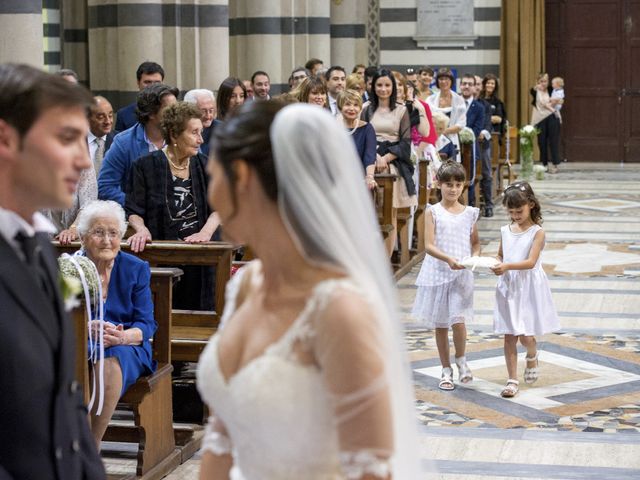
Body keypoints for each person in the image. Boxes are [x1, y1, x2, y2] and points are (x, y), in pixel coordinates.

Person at [196, 100, 423, 479]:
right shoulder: (247, 285)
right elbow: (221, 436)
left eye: (213, 176)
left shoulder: (339, 309)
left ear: (242, 177)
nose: (210, 193)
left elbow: (369, 470)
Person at [0, 63, 105, 479]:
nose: (83, 160)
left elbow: (64, 396)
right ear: (6, 138)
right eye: (66, 139)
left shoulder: (40, 245)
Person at [75, 200, 157, 446]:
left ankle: (90, 448)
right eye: (99, 232)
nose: (107, 240)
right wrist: (84, 328)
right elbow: (55, 316)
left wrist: (121, 337)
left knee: (109, 361)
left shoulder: (136, 268)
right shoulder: (71, 268)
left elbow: (146, 324)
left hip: (127, 348)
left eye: (113, 233)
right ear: (83, 237)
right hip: (81, 344)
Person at [126, 102, 220, 310]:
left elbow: (220, 207)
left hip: (203, 256)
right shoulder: (144, 166)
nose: (200, 140)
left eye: (201, 132)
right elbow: (134, 210)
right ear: (174, 134)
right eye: (194, 133)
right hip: (164, 257)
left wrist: (205, 233)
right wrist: (141, 229)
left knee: (202, 314)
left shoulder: (207, 165)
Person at [412, 161, 480, 391]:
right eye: (448, 184)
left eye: (458, 184)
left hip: (461, 274)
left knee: (458, 322)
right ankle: (445, 368)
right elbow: (429, 245)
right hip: (438, 272)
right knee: (441, 324)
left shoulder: (470, 213)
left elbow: (475, 243)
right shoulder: (433, 212)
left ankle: (461, 360)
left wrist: (474, 258)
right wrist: (448, 259)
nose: (453, 189)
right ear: (439, 184)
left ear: (464, 186)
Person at [491, 181, 560, 397]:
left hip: (528, 287)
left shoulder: (537, 232)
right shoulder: (505, 230)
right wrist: (496, 263)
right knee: (509, 334)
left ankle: (532, 354)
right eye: (510, 211)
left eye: (519, 210)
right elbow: (501, 254)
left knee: (525, 336)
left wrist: (508, 265)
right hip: (508, 287)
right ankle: (512, 380)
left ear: (530, 204)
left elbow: (530, 262)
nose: (515, 215)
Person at [361, 68, 415, 257]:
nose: (383, 89)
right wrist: (374, 155)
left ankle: (386, 261)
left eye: (387, 85)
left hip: (392, 164)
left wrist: (385, 157)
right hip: (369, 161)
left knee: (388, 215)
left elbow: (405, 142)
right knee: (368, 215)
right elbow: (361, 135)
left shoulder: (401, 110)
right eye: (379, 85)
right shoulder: (366, 109)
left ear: (393, 87)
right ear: (373, 87)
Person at [98, 83, 178, 206]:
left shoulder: (183, 137)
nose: (176, 114)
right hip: (138, 217)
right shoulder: (124, 143)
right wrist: (138, 204)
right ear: (151, 113)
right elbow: (105, 187)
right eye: (169, 109)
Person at [337, 89, 376, 188]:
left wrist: (369, 177)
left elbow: (370, 156)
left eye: (355, 105)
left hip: (359, 180)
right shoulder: (332, 126)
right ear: (340, 107)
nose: (352, 108)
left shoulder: (367, 128)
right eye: (347, 104)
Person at [427, 68, 466, 163]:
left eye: (446, 79)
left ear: (451, 81)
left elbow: (461, 124)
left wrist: (443, 131)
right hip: (434, 139)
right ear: (437, 82)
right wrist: (437, 133)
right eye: (441, 79)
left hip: (452, 140)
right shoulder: (430, 100)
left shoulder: (459, 100)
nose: (444, 81)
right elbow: (427, 121)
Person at [115, 61, 164, 133]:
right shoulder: (124, 115)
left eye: (157, 83)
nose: (152, 86)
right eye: (147, 82)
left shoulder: (171, 112)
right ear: (138, 83)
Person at [459, 73, 486, 208]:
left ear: (474, 87)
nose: (467, 86)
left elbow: (477, 128)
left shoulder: (479, 107)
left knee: (468, 179)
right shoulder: (454, 102)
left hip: (469, 148)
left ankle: (468, 208)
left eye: (470, 84)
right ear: (460, 85)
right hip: (453, 146)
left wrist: (464, 135)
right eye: (464, 83)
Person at [530, 73, 560, 173]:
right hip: (540, 118)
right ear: (538, 82)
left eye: (545, 81)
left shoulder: (552, 90)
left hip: (551, 117)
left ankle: (555, 165)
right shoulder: (535, 91)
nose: (543, 83)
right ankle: (544, 164)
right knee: (541, 142)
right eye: (541, 81)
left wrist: (551, 103)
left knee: (553, 141)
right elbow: (532, 90)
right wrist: (537, 87)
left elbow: (559, 99)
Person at [184, 88, 219, 157]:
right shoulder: (181, 131)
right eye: (203, 111)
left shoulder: (221, 130)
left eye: (211, 111)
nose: (208, 116)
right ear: (189, 111)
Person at [88, 95, 115, 175]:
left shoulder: (119, 141)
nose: (108, 121)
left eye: (110, 116)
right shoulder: (76, 142)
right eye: (101, 117)